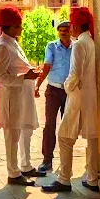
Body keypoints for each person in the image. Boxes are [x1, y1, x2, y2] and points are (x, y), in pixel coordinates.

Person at [43, 6, 99, 194]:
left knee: (65, 137)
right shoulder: (91, 42)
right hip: (91, 96)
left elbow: (75, 74)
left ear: (76, 26)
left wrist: (67, 87)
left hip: (78, 95)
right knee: (92, 137)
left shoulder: (78, 45)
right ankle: (92, 178)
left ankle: (64, 179)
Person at [0, 5, 43, 186]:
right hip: (11, 98)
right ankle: (12, 173)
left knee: (19, 132)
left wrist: (30, 72)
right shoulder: (3, 46)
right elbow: (0, 76)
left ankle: (22, 167)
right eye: (19, 26)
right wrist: (24, 77)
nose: (21, 29)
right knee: (12, 136)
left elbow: (17, 68)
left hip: (20, 96)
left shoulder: (12, 42)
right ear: (12, 26)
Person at [34, 20, 72, 172]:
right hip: (53, 90)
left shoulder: (76, 47)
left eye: (66, 30)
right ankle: (47, 160)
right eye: (60, 30)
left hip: (70, 91)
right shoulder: (51, 46)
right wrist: (38, 84)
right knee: (50, 125)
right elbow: (47, 65)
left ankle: (65, 161)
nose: (63, 32)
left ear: (71, 31)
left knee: (67, 127)